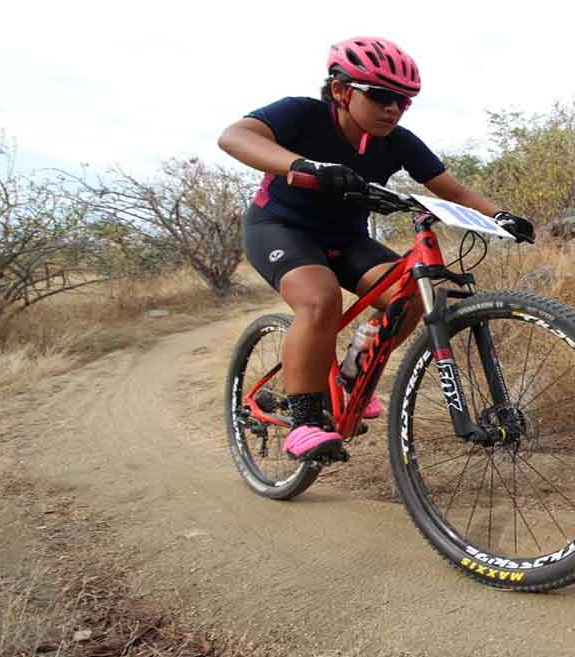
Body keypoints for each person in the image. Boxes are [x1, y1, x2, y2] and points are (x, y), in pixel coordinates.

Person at [219, 36, 534, 461]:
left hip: (346, 238)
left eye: (404, 102)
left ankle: (350, 377)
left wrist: (501, 217)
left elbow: (449, 188)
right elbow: (235, 136)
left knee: (413, 293)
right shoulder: (303, 114)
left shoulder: (398, 141)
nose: (393, 108)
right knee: (320, 299)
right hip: (279, 227)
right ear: (340, 91)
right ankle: (305, 421)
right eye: (382, 96)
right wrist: (302, 166)